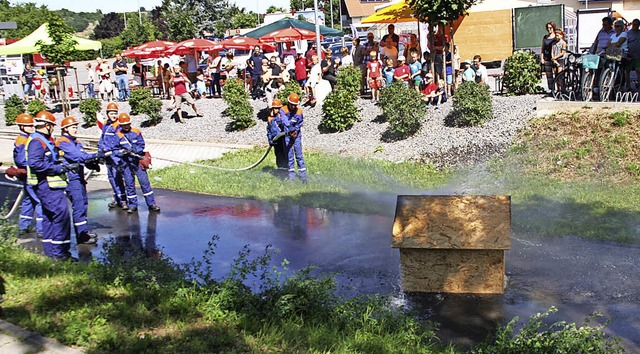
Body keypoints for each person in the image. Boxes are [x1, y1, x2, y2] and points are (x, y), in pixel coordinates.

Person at [26, 111, 76, 260]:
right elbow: (35, 163)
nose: (53, 129)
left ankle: (51, 252)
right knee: (61, 217)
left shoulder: (42, 140)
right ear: (47, 125)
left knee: (49, 217)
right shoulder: (37, 141)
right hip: (47, 186)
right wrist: (58, 169)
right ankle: (61, 254)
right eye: (52, 126)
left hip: (47, 186)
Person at [55, 117, 99, 245]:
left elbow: (83, 158)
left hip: (78, 177)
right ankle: (81, 236)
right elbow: (78, 156)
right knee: (78, 205)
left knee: (84, 204)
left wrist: (92, 163)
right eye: (73, 127)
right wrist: (96, 155)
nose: (75, 129)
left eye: (76, 127)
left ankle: (84, 231)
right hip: (71, 178)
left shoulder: (76, 142)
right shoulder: (63, 142)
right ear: (65, 129)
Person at [114, 113, 161, 214]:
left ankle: (151, 204)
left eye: (127, 124)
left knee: (145, 183)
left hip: (137, 162)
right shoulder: (118, 135)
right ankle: (133, 205)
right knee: (129, 185)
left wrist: (135, 150)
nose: (126, 126)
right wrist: (122, 152)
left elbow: (141, 144)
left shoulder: (136, 132)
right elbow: (115, 150)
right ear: (120, 125)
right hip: (126, 164)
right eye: (124, 124)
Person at [12, 113, 43, 237]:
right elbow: (21, 160)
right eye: (28, 126)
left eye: (32, 125)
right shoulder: (23, 140)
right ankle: (42, 230)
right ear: (21, 127)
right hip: (30, 175)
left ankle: (23, 226)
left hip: (26, 175)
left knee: (28, 201)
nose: (32, 127)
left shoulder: (24, 138)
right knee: (39, 201)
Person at [98, 102, 127, 209]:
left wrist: (110, 150)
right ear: (107, 114)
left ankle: (123, 200)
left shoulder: (118, 126)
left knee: (117, 177)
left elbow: (118, 140)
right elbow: (102, 138)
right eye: (111, 113)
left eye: (115, 113)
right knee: (111, 178)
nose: (114, 115)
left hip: (115, 156)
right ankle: (116, 198)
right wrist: (100, 150)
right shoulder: (106, 125)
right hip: (107, 156)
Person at [280, 93, 307, 182]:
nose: (293, 106)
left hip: (296, 135)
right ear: (288, 102)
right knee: (289, 156)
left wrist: (295, 130)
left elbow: (300, 122)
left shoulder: (299, 111)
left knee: (299, 155)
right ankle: (291, 177)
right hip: (287, 135)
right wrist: (289, 128)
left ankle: (303, 177)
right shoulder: (283, 110)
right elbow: (284, 120)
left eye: (295, 105)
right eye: (292, 104)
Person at [266, 98, 288, 176]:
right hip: (275, 140)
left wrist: (279, 117)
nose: (276, 110)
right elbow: (269, 130)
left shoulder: (281, 117)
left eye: (278, 108)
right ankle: (280, 170)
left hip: (282, 139)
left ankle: (286, 170)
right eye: (275, 108)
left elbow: (285, 126)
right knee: (278, 155)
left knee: (285, 155)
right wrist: (270, 139)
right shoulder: (270, 118)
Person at [541, 22, 557, 92]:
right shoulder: (545, 38)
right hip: (547, 58)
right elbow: (543, 48)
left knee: (557, 74)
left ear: (553, 28)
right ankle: (551, 90)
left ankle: (559, 89)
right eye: (547, 28)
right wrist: (542, 58)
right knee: (549, 76)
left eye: (550, 28)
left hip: (555, 58)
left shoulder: (556, 37)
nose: (549, 29)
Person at [626, 19, 640, 90]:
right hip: (630, 55)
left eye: (637, 25)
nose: (635, 26)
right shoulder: (628, 33)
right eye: (634, 25)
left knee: (638, 70)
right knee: (627, 71)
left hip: (638, 56)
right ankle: (628, 86)